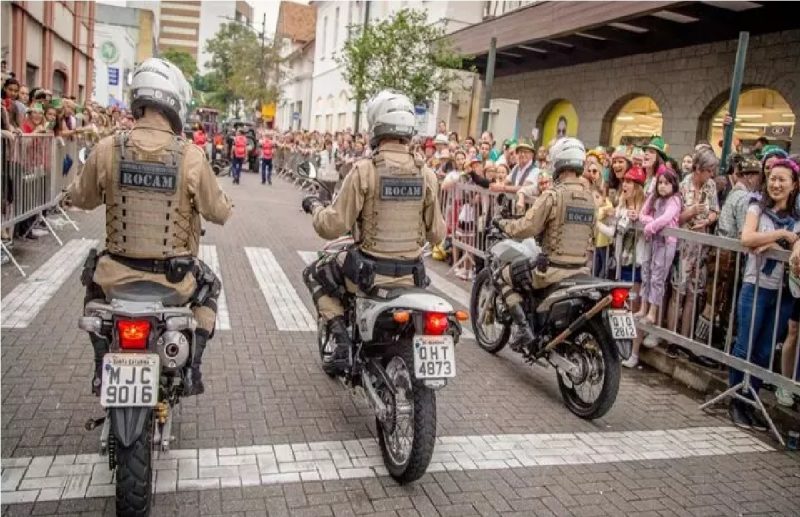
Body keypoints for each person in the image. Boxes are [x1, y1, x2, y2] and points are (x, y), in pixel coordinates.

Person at [67, 58, 233, 396]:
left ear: (139, 100)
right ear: (175, 104)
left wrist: (67, 193)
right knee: (210, 289)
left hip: (116, 276)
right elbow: (219, 211)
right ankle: (193, 369)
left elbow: (81, 198)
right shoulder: (191, 156)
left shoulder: (108, 148)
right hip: (173, 281)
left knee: (91, 286)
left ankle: (102, 365)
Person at [300, 90, 446, 375]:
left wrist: (316, 209)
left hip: (370, 275)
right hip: (411, 274)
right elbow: (437, 235)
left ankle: (340, 338)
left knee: (315, 272)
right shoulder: (426, 174)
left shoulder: (364, 171)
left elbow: (333, 226)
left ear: (375, 126)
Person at [494, 137, 596, 350]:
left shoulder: (553, 195)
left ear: (558, 163)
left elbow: (527, 227)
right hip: (580, 269)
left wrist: (504, 225)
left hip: (551, 270)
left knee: (502, 276)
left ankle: (523, 329)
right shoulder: (591, 199)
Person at [729, 158, 800, 429]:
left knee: (763, 351)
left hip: (783, 293)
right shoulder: (756, 206)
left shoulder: (797, 216)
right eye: (772, 178)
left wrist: (790, 244)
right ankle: (736, 401)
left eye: (783, 180)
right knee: (745, 345)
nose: (776, 184)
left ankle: (751, 400)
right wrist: (780, 235)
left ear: (793, 185)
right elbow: (747, 238)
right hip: (755, 286)